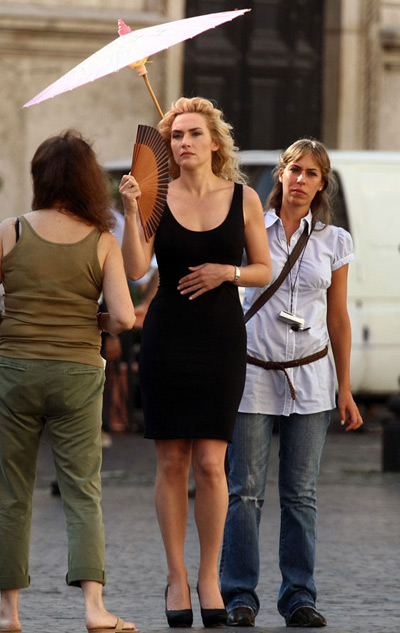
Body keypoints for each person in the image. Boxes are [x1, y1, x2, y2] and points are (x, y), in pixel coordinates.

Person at [119, 96, 271, 628]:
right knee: (172, 462)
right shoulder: (156, 197)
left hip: (220, 340)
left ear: (214, 142)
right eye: (176, 135)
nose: (184, 143)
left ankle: (209, 576)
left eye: (193, 134)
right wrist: (133, 212)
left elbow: (262, 269)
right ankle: (176, 576)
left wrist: (224, 272)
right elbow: (137, 270)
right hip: (168, 337)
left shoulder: (244, 197)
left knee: (211, 463)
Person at [220, 138, 364, 628]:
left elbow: (338, 318)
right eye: (294, 170)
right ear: (280, 175)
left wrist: (345, 389)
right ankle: (239, 595)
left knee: (301, 494)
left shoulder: (333, 240)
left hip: (312, 376)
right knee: (244, 491)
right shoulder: (247, 230)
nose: (301, 180)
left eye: (312, 174)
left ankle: (299, 595)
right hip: (253, 372)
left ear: (322, 184)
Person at [0, 130, 137, 633]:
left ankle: (8, 612)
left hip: (15, 370)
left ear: (39, 178)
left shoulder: (10, 230)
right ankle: (95, 610)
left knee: (12, 491)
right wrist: (95, 323)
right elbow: (123, 317)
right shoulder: (102, 241)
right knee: (83, 490)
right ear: (86, 182)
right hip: (79, 372)